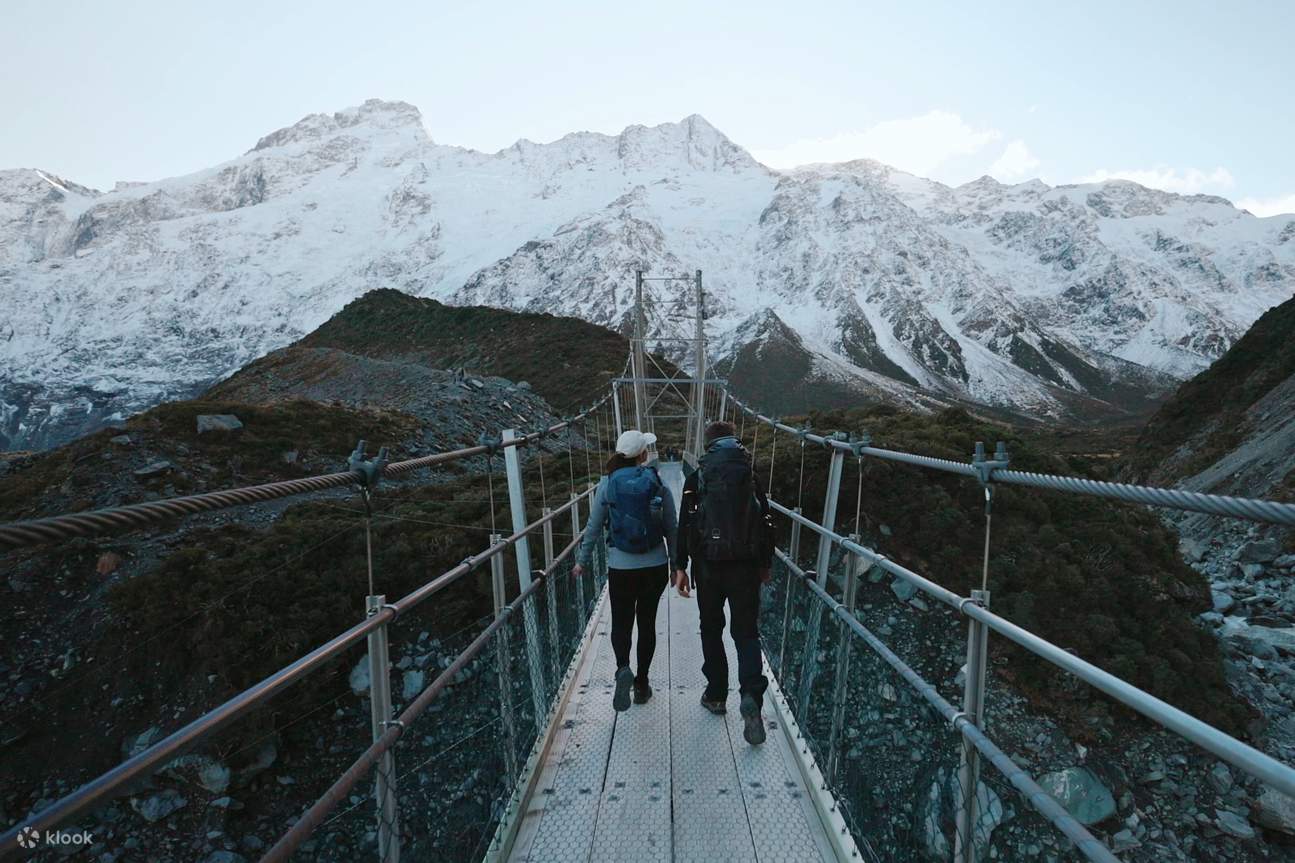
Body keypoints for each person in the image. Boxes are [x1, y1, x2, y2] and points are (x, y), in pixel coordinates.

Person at [674, 420, 774, 745]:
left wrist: (680, 565)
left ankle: (716, 694)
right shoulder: (751, 476)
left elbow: (685, 522)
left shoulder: (696, 477)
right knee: (746, 633)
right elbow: (767, 519)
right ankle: (751, 699)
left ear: (707, 445)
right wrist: (765, 563)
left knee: (711, 628)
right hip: (745, 566)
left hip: (708, 565)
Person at [573, 429, 678, 711]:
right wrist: (678, 566)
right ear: (644, 455)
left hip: (621, 566)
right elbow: (672, 528)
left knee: (621, 621)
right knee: (647, 623)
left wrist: (582, 560)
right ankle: (642, 684)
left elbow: (593, 528)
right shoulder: (657, 482)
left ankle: (622, 669)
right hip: (655, 565)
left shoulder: (607, 485)